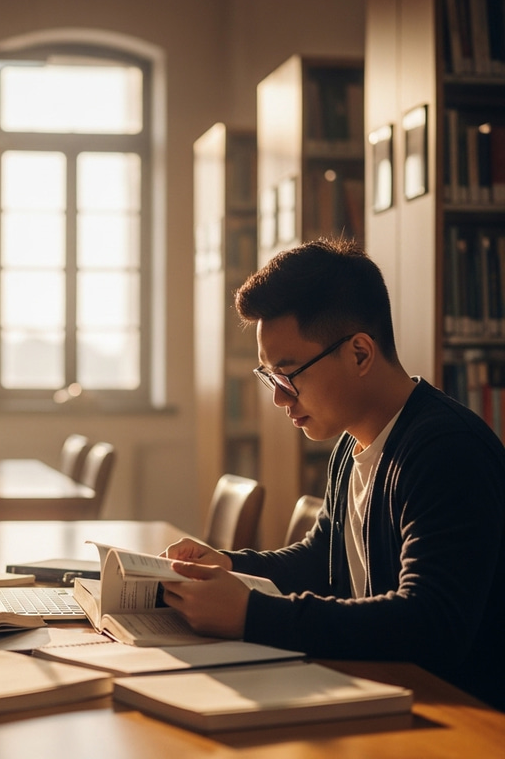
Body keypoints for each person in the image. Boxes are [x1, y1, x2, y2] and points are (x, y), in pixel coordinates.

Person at [163, 238, 505, 711]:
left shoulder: (446, 451)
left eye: (289, 373)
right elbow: (322, 558)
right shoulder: (351, 444)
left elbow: (431, 624)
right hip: (382, 693)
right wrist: (228, 565)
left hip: (457, 717)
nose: (280, 398)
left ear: (360, 353)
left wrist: (251, 614)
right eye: (270, 377)